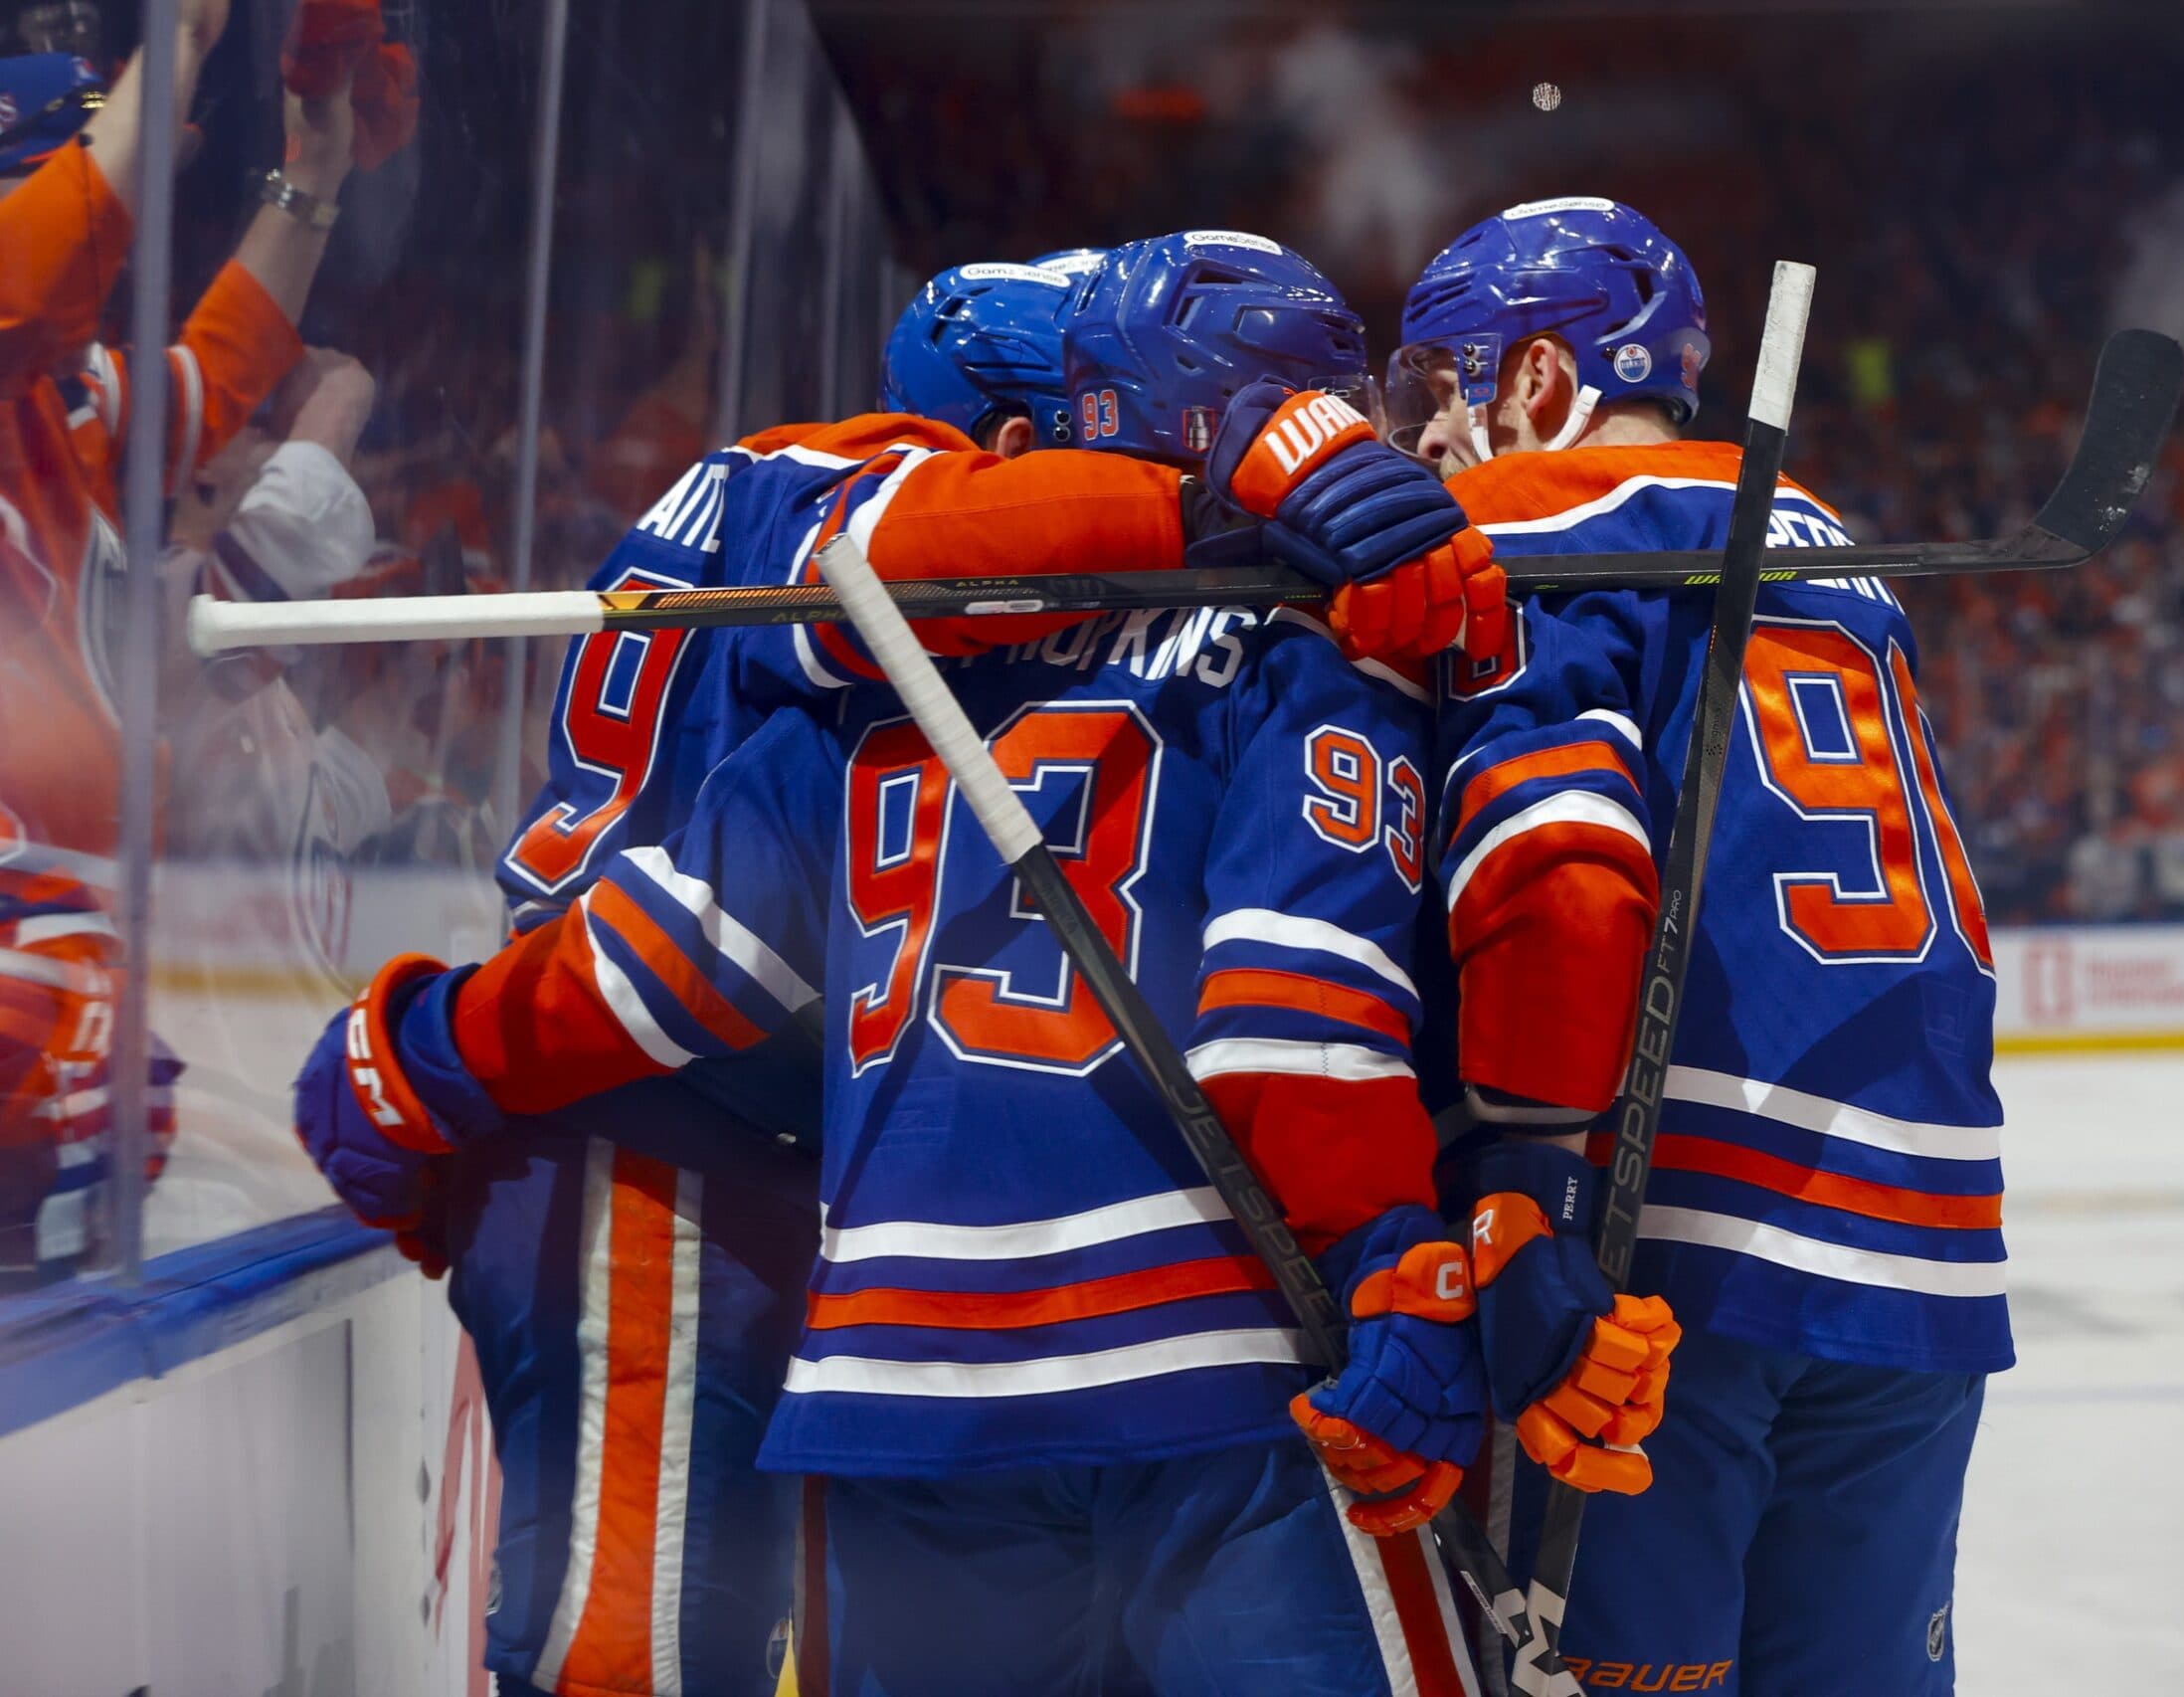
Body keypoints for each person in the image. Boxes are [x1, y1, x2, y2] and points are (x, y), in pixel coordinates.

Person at [296, 232, 1496, 1697]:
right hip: (1083, 1304)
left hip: (862, 1323)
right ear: (1010, 436)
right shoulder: (894, 533)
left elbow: (678, 952)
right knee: (629, 1664)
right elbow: (1295, 1024)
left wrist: (429, 1053)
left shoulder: (868, 659)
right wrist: (1399, 1263)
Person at [1374, 196, 2008, 1694]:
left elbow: (1563, 871)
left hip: (1684, 1230)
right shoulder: (1833, 538)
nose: (1423, 438)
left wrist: (1520, 1179)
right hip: (1928, 1225)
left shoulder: (1537, 518)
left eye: (1439, 388)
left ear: (1537, 378)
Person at [0, 0, 405, 1278]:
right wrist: (178, 37)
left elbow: (224, 357)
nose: (112, 256)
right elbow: (43, 255)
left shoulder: (70, 399)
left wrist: (315, 158)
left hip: (71, 981)